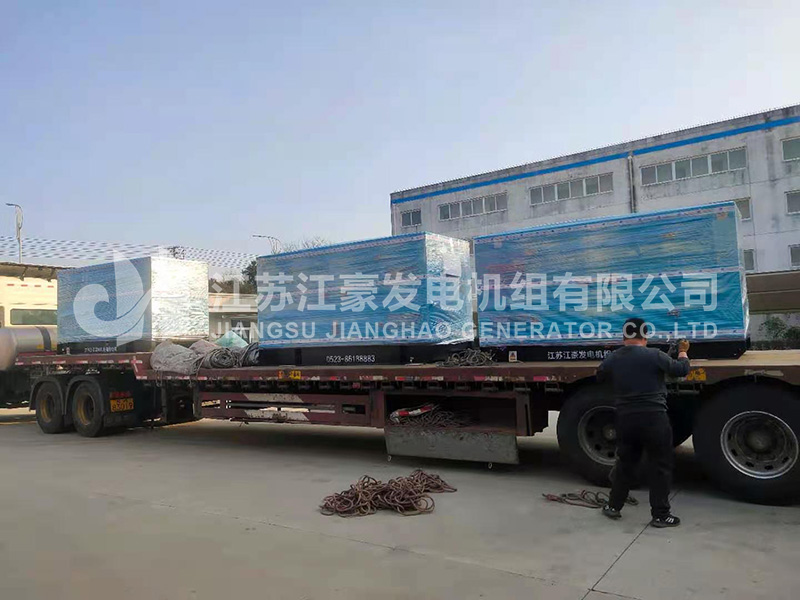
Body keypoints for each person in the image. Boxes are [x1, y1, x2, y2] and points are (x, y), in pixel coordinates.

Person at [596, 317, 690, 528]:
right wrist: (683, 352)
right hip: (654, 419)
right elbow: (681, 370)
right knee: (660, 466)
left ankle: (613, 506)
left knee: (625, 464)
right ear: (645, 336)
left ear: (624, 337)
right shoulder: (655, 355)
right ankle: (660, 515)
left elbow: (600, 375)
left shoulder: (614, 358)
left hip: (626, 419)